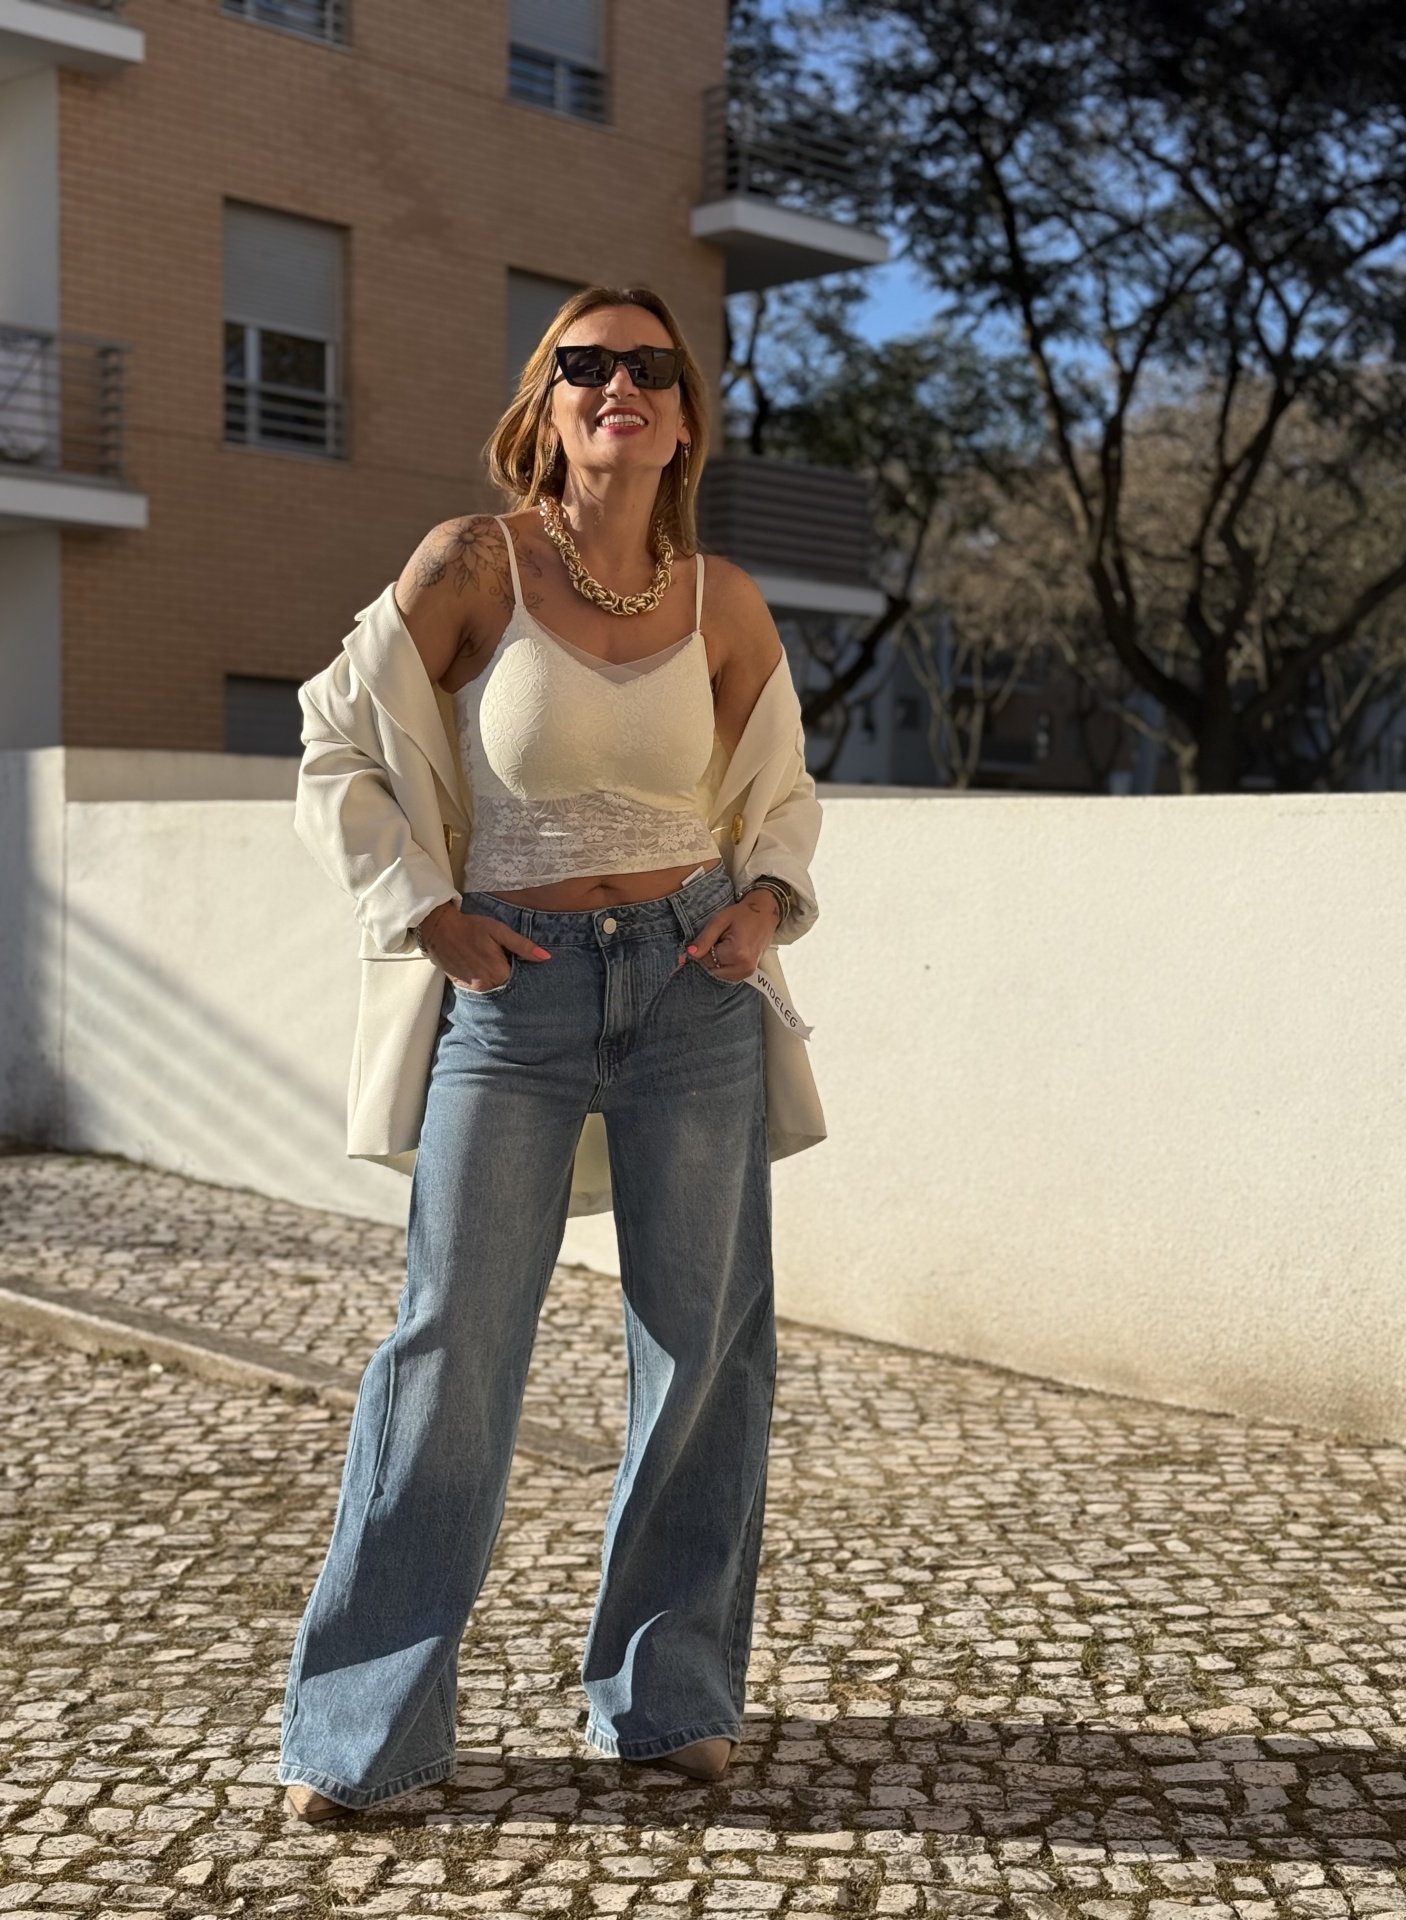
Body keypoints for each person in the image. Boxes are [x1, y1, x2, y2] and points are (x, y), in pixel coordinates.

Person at [276, 285, 825, 1819]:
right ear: (549, 400)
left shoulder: (721, 601)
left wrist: (765, 901)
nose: (617, 382)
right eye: (585, 362)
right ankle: (364, 1732)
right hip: (511, 994)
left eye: (650, 365)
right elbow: (338, 742)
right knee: (451, 1344)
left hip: (694, 988)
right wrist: (427, 912)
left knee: (701, 1349)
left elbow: (781, 792)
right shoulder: (472, 563)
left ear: (684, 418)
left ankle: (667, 1696)